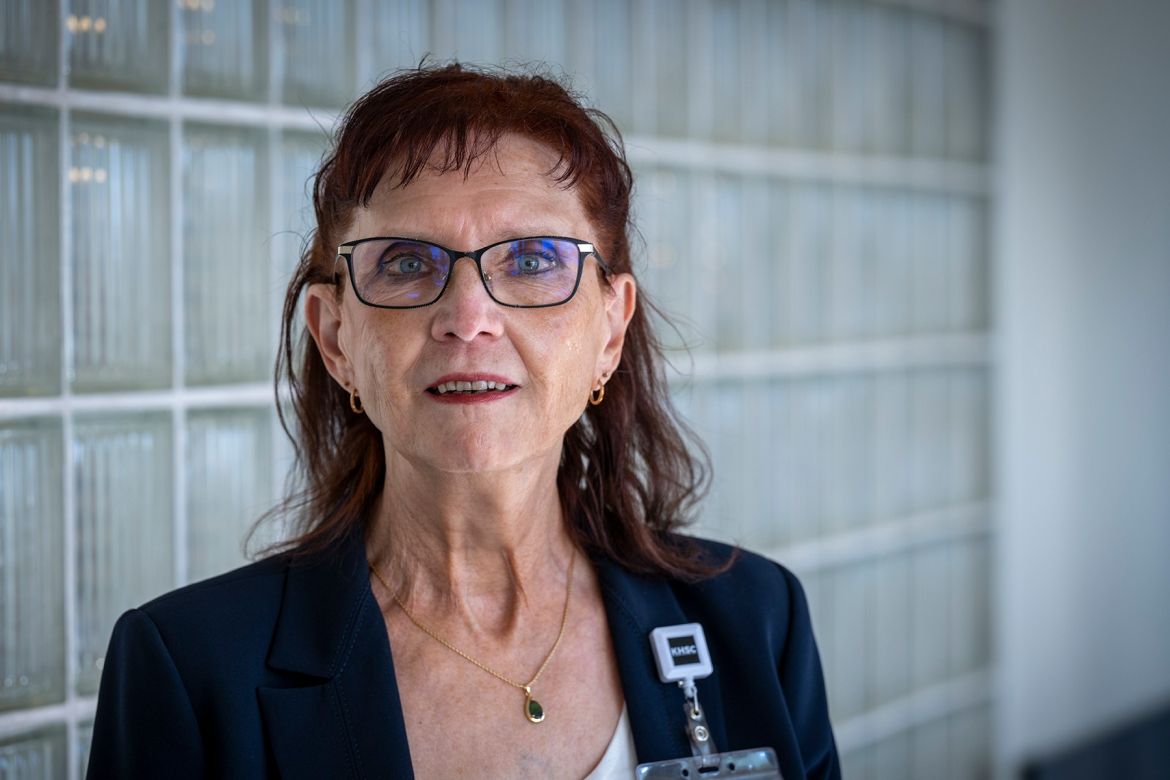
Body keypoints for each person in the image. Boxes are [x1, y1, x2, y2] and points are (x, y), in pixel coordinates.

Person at [86, 63, 840, 779]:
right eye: (408, 263)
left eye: (535, 258)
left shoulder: (756, 621)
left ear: (610, 330)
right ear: (334, 336)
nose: (468, 318)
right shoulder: (190, 669)